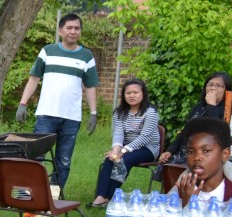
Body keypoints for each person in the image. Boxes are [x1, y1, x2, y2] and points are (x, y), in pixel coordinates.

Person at [15, 13, 100, 192]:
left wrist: (93, 113)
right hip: (47, 114)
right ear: (60, 30)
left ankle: (53, 197)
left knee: (63, 161)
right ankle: (30, 194)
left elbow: (90, 86)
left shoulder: (86, 56)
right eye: (69, 28)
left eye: (77, 28)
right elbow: (34, 78)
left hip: (71, 118)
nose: (73, 31)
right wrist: (23, 103)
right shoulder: (48, 51)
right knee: (36, 157)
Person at [90, 79, 160, 206]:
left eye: (135, 92)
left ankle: (110, 197)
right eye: (128, 93)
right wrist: (115, 150)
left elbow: (145, 137)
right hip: (126, 147)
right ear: (124, 95)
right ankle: (100, 196)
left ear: (143, 94)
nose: (132, 95)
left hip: (148, 148)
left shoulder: (151, 112)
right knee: (110, 159)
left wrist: (123, 151)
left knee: (123, 160)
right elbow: (118, 134)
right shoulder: (119, 112)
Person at [157, 72, 231, 167]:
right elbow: (185, 132)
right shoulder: (198, 107)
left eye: (219, 86)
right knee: (165, 166)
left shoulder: (228, 111)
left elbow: (216, 132)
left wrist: (212, 106)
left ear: (226, 90)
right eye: (210, 85)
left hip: (208, 155)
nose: (213, 88)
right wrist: (170, 151)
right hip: (186, 151)